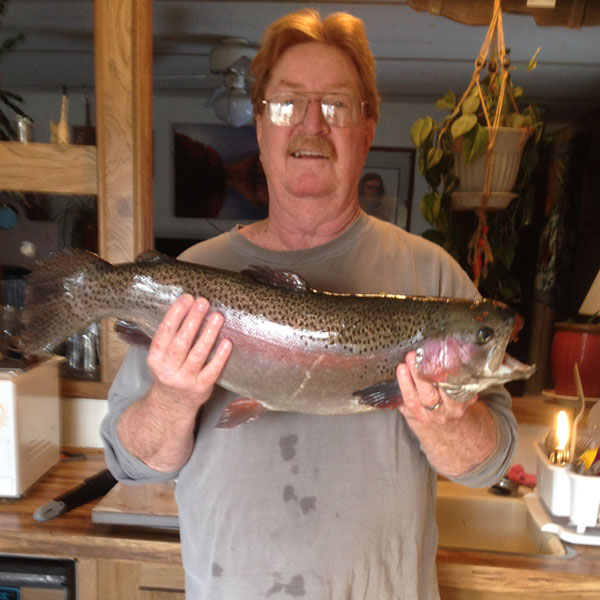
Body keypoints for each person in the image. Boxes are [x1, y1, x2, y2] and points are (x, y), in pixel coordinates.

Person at [101, 9, 516, 599]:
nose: (311, 125)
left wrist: (449, 422)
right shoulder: (193, 278)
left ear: (367, 128)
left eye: (338, 105)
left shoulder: (435, 277)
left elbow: (490, 462)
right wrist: (173, 399)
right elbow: (131, 462)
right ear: (261, 129)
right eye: (287, 104)